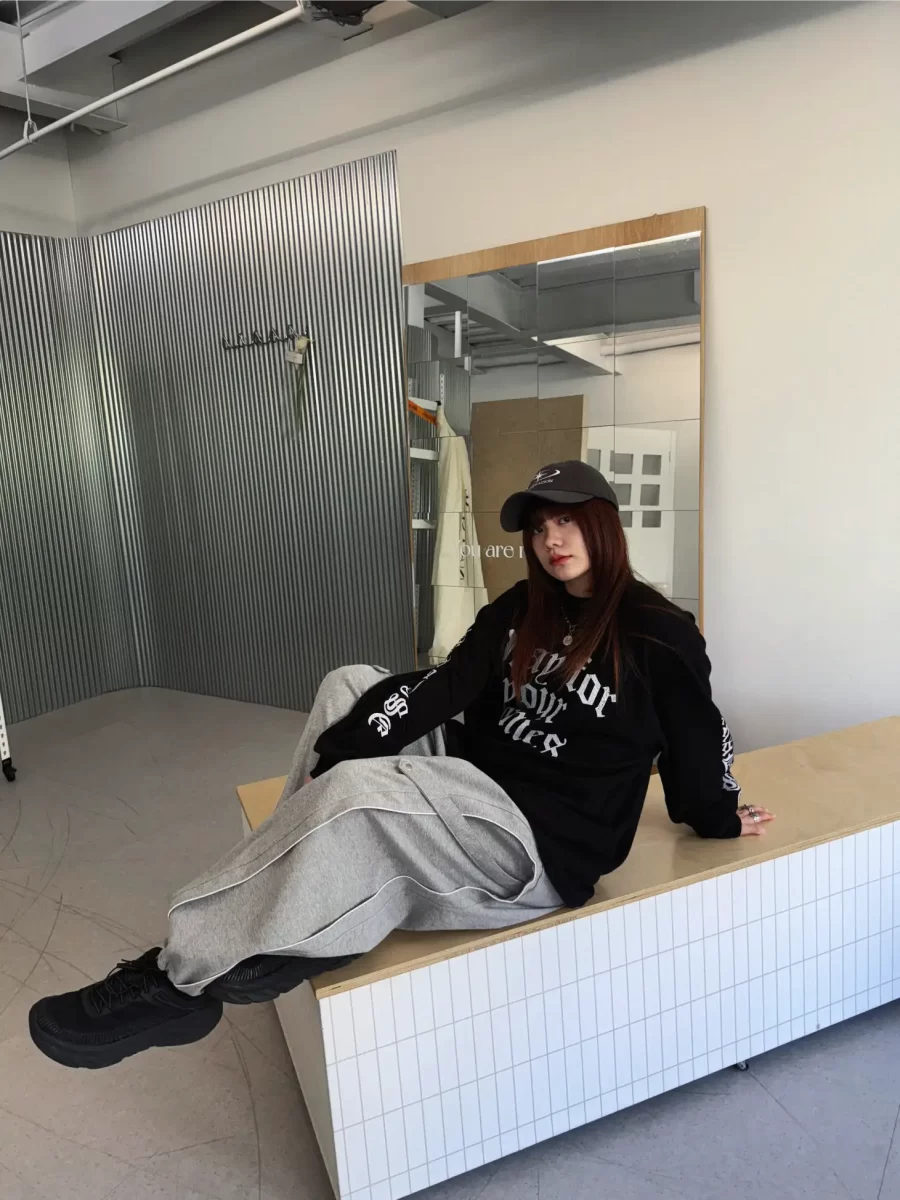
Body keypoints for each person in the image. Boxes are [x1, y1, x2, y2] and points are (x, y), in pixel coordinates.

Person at [29, 460, 773, 1070]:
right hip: (472, 781)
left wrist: (716, 814)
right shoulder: (524, 606)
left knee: (359, 789)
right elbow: (446, 685)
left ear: (603, 525)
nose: (553, 540)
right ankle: (301, 897)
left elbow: (700, 737)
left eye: (568, 521)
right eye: (541, 527)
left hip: (535, 841)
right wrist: (343, 748)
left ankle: (174, 978)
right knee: (349, 687)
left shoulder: (659, 635)